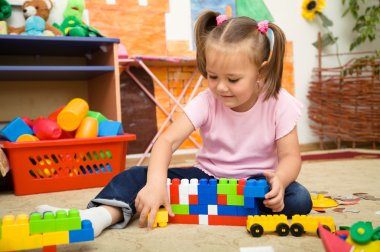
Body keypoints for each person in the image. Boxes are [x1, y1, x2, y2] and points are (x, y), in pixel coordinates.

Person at [36, 10, 312, 237]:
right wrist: (156, 183)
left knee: (299, 198)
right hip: (207, 179)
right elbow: (166, 142)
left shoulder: (280, 102)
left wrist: (280, 180)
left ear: (261, 71)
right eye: (212, 76)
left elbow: (290, 156)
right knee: (137, 176)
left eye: (233, 79)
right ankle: (99, 216)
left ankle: (240, 207)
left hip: (254, 185)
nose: (221, 87)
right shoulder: (206, 100)